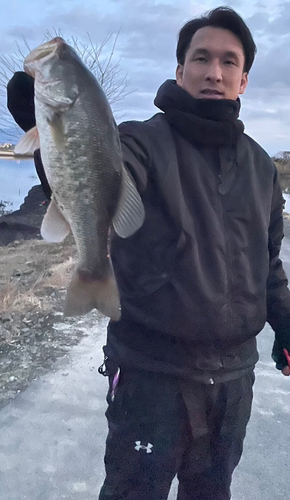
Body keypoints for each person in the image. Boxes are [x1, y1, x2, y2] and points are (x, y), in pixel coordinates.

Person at [7, 6, 290, 500]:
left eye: (229, 62)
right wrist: (53, 127)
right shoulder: (138, 141)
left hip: (233, 382)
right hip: (150, 377)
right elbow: (101, 176)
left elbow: (266, 263)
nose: (214, 72)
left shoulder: (262, 169)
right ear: (180, 71)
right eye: (200, 58)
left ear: (243, 80)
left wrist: (286, 324)